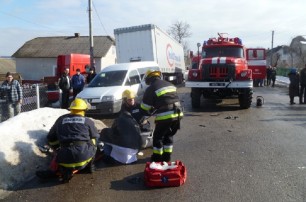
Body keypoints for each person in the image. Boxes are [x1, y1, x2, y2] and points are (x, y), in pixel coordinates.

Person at [36, 98, 99, 182]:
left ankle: (57, 170)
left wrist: (57, 148)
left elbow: (50, 137)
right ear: (84, 110)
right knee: (95, 140)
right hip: (83, 157)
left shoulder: (61, 119)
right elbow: (95, 135)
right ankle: (90, 166)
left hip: (63, 159)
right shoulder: (87, 121)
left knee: (62, 149)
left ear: (71, 109)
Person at [140, 69, 183, 162]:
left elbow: (145, 107)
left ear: (148, 79)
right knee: (168, 135)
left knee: (158, 137)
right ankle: (167, 157)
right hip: (178, 113)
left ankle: (157, 158)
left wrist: (145, 114)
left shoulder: (151, 88)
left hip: (165, 116)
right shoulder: (169, 84)